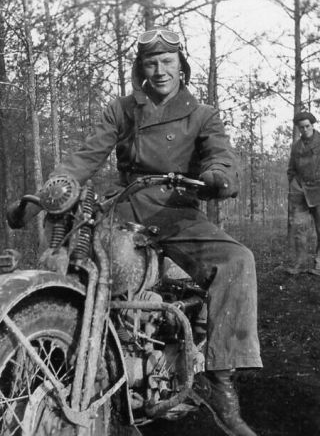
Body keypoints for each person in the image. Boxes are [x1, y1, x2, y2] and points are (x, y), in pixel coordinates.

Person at [7, 28, 262, 436]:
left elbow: (220, 152)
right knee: (77, 254)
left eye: (167, 62)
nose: (160, 71)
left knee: (237, 261)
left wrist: (217, 175)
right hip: (126, 203)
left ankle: (221, 385)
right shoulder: (123, 109)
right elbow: (87, 153)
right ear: (141, 68)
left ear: (181, 66)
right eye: (151, 63)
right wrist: (59, 184)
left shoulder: (202, 114)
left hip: (179, 210)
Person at [286, 111, 320, 275]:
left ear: (312, 125)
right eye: (301, 127)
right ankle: (299, 264)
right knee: (299, 229)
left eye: (307, 126)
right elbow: (291, 169)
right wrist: (294, 184)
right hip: (300, 192)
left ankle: (319, 265)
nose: (305, 129)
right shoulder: (296, 147)